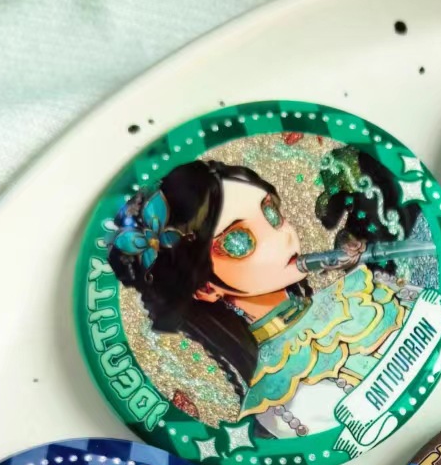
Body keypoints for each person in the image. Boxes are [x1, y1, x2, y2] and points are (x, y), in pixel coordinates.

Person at [107, 156, 415, 439]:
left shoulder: (363, 295)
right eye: (239, 242)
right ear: (206, 288)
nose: (282, 237)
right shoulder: (277, 401)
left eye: (272, 213)